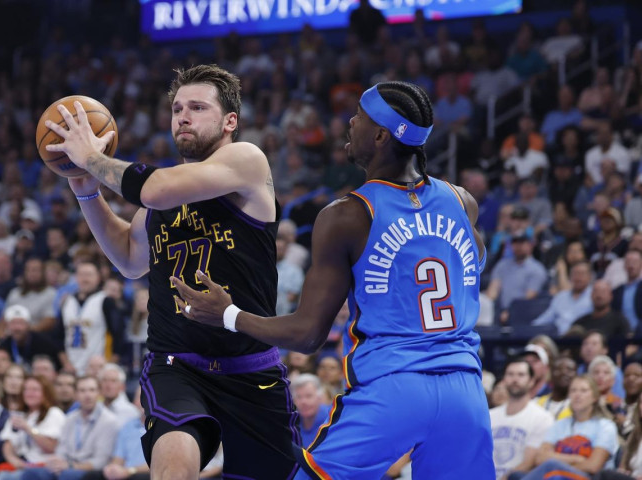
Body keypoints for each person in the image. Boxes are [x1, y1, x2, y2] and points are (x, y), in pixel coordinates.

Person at [172, 81, 495, 478]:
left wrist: (228, 315)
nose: (350, 122)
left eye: (359, 116)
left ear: (381, 136)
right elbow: (474, 261)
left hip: (394, 388)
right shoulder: (462, 201)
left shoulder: (347, 215)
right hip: (465, 390)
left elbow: (308, 335)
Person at [43, 64, 298, 479]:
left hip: (251, 369)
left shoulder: (247, 160)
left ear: (230, 121)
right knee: (173, 466)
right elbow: (130, 259)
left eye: (198, 107)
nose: (183, 116)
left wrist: (90, 157)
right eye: (178, 108)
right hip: (177, 365)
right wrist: (85, 189)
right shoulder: (162, 195)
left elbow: (155, 189)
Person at [509, 375, 618, 480]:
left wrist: (557, 467)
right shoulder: (560, 425)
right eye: (573, 390)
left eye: (583, 391)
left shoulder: (605, 426)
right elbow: (540, 458)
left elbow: (593, 466)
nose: (577, 395)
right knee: (515, 476)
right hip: (554, 475)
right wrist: (575, 459)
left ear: (595, 397)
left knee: (551, 467)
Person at [490, 358, 554, 479]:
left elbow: (529, 463)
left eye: (521, 375)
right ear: (504, 379)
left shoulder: (542, 418)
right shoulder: (489, 416)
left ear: (531, 381)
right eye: (510, 374)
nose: (515, 379)